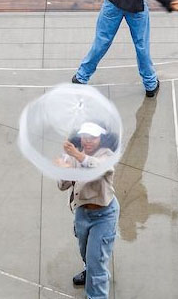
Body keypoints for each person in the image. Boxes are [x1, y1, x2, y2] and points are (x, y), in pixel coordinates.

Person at [57, 123, 118, 297]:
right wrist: (63, 170)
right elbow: (63, 185)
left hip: (104, 216)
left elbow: (97, 168)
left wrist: (76, 154)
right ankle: (89, 269)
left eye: (93, 137)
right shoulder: (72, 156)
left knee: (97, 262)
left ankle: (96, 293)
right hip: (82, 213)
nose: (88, 141)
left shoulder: (106, 156)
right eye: (85, 137)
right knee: (85, 252)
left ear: (101, 138)